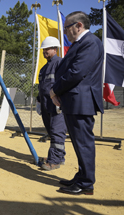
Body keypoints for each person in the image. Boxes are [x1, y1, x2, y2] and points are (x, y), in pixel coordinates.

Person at [50, 11, 103, 195]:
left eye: (66, 28)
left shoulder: (90, 42)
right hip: (74, 100)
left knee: (83, 143)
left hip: (82, 100)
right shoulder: (80, 43)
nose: (64, 32)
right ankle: (82, 176)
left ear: (78, 25)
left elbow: (77, 72)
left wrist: (55, 90)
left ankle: (87, 183)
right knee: (79, 143)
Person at [36, 36, 67, 171]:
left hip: (56, 105)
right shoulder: (43, 69)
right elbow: (42, 86)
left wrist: (61, 101)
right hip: (45, 105)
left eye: (47, 49)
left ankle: (54, 161)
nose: (44, 52)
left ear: (55, 49)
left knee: (56, 132)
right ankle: (59, 157)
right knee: (51, 131)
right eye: (43, 49)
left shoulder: (60, 63)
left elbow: (64, 84)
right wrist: (38, 100)